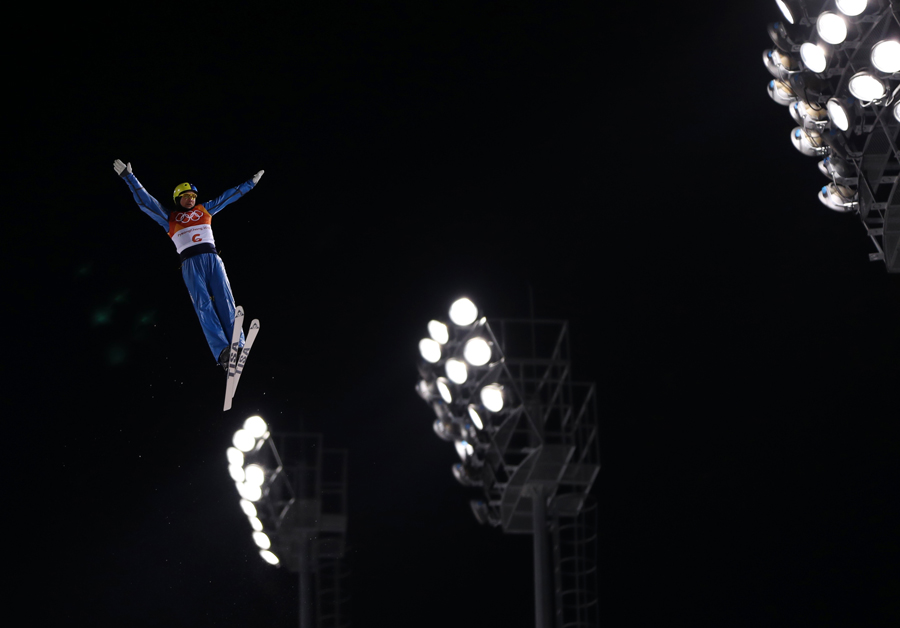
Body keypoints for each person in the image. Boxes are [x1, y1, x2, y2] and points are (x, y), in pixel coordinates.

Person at [112, 159, 264, 370]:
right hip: (190, 264)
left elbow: (228, 197)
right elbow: (146, 203)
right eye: (186, 196)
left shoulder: (205, 209)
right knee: (203, 305)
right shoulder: (169, 217)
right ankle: (222, 352)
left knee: (224, 299)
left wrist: (251, 184)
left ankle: (238, 342)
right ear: (178, 198)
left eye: (193, 196)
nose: (191, 199)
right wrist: (129, 177)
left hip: (212, 259)